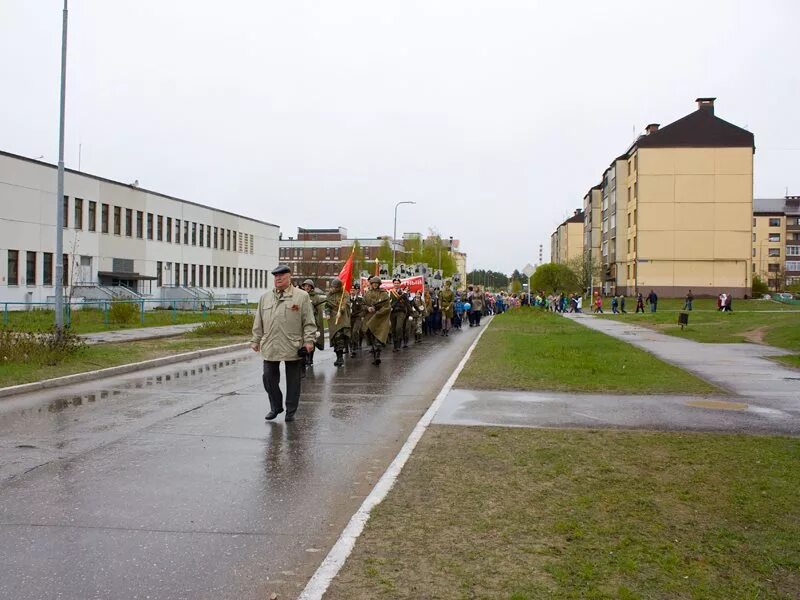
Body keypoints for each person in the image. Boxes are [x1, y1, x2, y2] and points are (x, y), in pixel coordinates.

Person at [250, 264, 317, 422]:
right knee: (268, 377)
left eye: (281, 276)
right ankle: (276, 406)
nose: (278, 278)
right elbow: (258, 320)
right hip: (270, 344)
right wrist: (255, 339)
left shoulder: (301, 296)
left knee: (293, 382)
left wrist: (308, 341)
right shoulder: (265, 297)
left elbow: (308, 321)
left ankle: (290, 411)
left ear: (289, 277)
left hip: (293, 345)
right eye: (275, 276)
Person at [363, 275, 391, 365]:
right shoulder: (367, 293)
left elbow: (387, 307)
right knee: (369, 334)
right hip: (370, 317)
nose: (375, 285)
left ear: (379, 284)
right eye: (373, 283)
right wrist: (367, 308)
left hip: (380, 318)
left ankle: (377, 356)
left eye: (376, 283)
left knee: (378, 337)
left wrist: (379, 311)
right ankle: (374, 352)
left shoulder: (384, 294)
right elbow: (363, 304)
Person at [300, 279, 326, 366]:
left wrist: (318, 326)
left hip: (312, 321)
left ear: (311, 288)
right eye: (305, 286)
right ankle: (305, 357)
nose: (306, 287)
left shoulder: (315, 297)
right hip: (303, 322)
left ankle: (310, 358)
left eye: (308, 286)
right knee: (303, 340)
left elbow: (318, 312)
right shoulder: (300, 296)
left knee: (311, 340)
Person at [325, 278, 350, 367]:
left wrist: (341, 310)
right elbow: (327, 305)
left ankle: (340, 357)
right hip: (332, 319)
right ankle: (337, 356)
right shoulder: (330, 295)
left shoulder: (345, 294)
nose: (334, 289)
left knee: (340, 337)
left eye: (336, 287)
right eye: (333, 287)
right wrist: (327, 313)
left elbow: (345, 304)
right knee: (335, 338)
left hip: (342, 318)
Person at [349, 282, 365, 358]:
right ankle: (352, 345)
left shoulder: (360, 299)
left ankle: (354, 347)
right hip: (349, 318)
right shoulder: (347, 300)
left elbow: (362, 309)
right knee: (350, 333)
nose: (352, 292)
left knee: (355, 331)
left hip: (357, 318)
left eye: (353, 290)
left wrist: (361, 315)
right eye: (351, 290)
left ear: (356, 291)